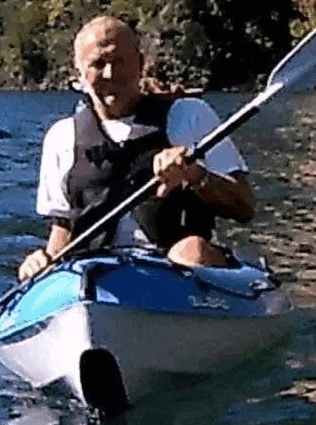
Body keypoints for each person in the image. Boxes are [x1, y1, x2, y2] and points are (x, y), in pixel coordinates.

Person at [18, 16, 255, 281]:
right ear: (79, 73)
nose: (110, 74)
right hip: (95, 274)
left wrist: (195, 174)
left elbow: (244, 207)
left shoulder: (190, 115)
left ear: (141, 63)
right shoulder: (61, 137)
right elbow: (63, 226)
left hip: (175, 270)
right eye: (98, 64)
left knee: (191, 252)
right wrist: (44, 262)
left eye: (119, 62)